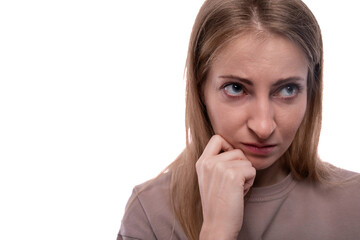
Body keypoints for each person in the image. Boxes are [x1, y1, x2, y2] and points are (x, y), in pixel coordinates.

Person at [117, 0, 360, 239]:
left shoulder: (354, 202)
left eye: (287, 90)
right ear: (201, 89)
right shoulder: (149, 214)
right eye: (235, 88)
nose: (263, 127)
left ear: (311, 90)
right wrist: (216, 231)